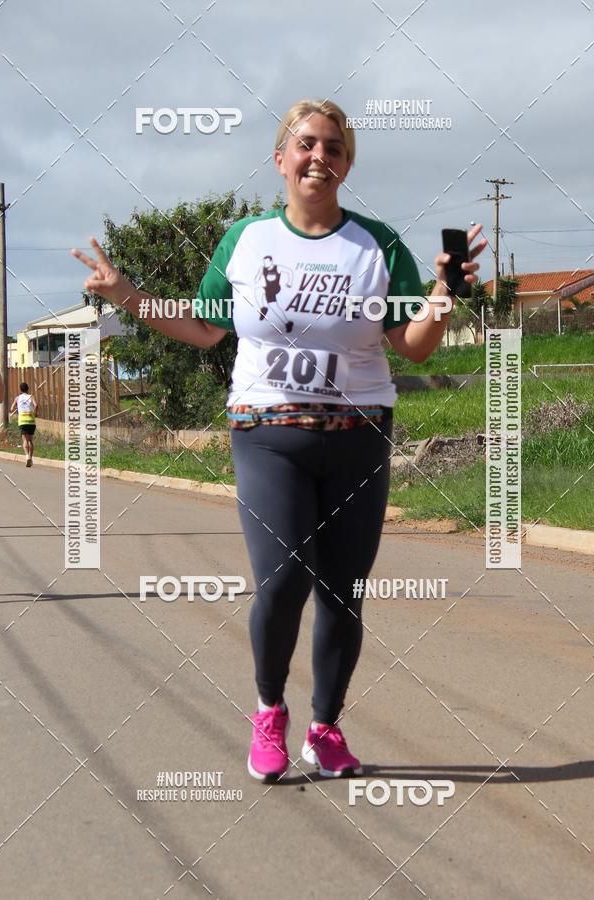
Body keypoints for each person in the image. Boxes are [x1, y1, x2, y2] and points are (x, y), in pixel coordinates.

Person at [73, 98, 486, 782]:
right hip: (267, 434)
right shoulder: (246, 240)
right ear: (281, 158)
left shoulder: (378, 246)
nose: (319, 156)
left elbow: (412, 348)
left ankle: (325, 728)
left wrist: (441, 296)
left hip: (358, 436)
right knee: (285, 576)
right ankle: (269, 711)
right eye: (306, 144)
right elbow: (205, 326)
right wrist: (129, 295)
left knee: (343, 592)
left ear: (347, 163)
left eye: (333, 147)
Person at [10, 382, 38, 467]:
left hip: (22, 421)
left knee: (25, 440)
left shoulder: (17, 398)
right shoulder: (31, 396)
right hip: (31, 420)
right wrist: (35, 413)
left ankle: (26, 457)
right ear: (28, 388)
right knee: (30, 440)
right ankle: (30, 457)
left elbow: (11, 409)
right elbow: (36, 405)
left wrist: (17, 407)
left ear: (20, 389)